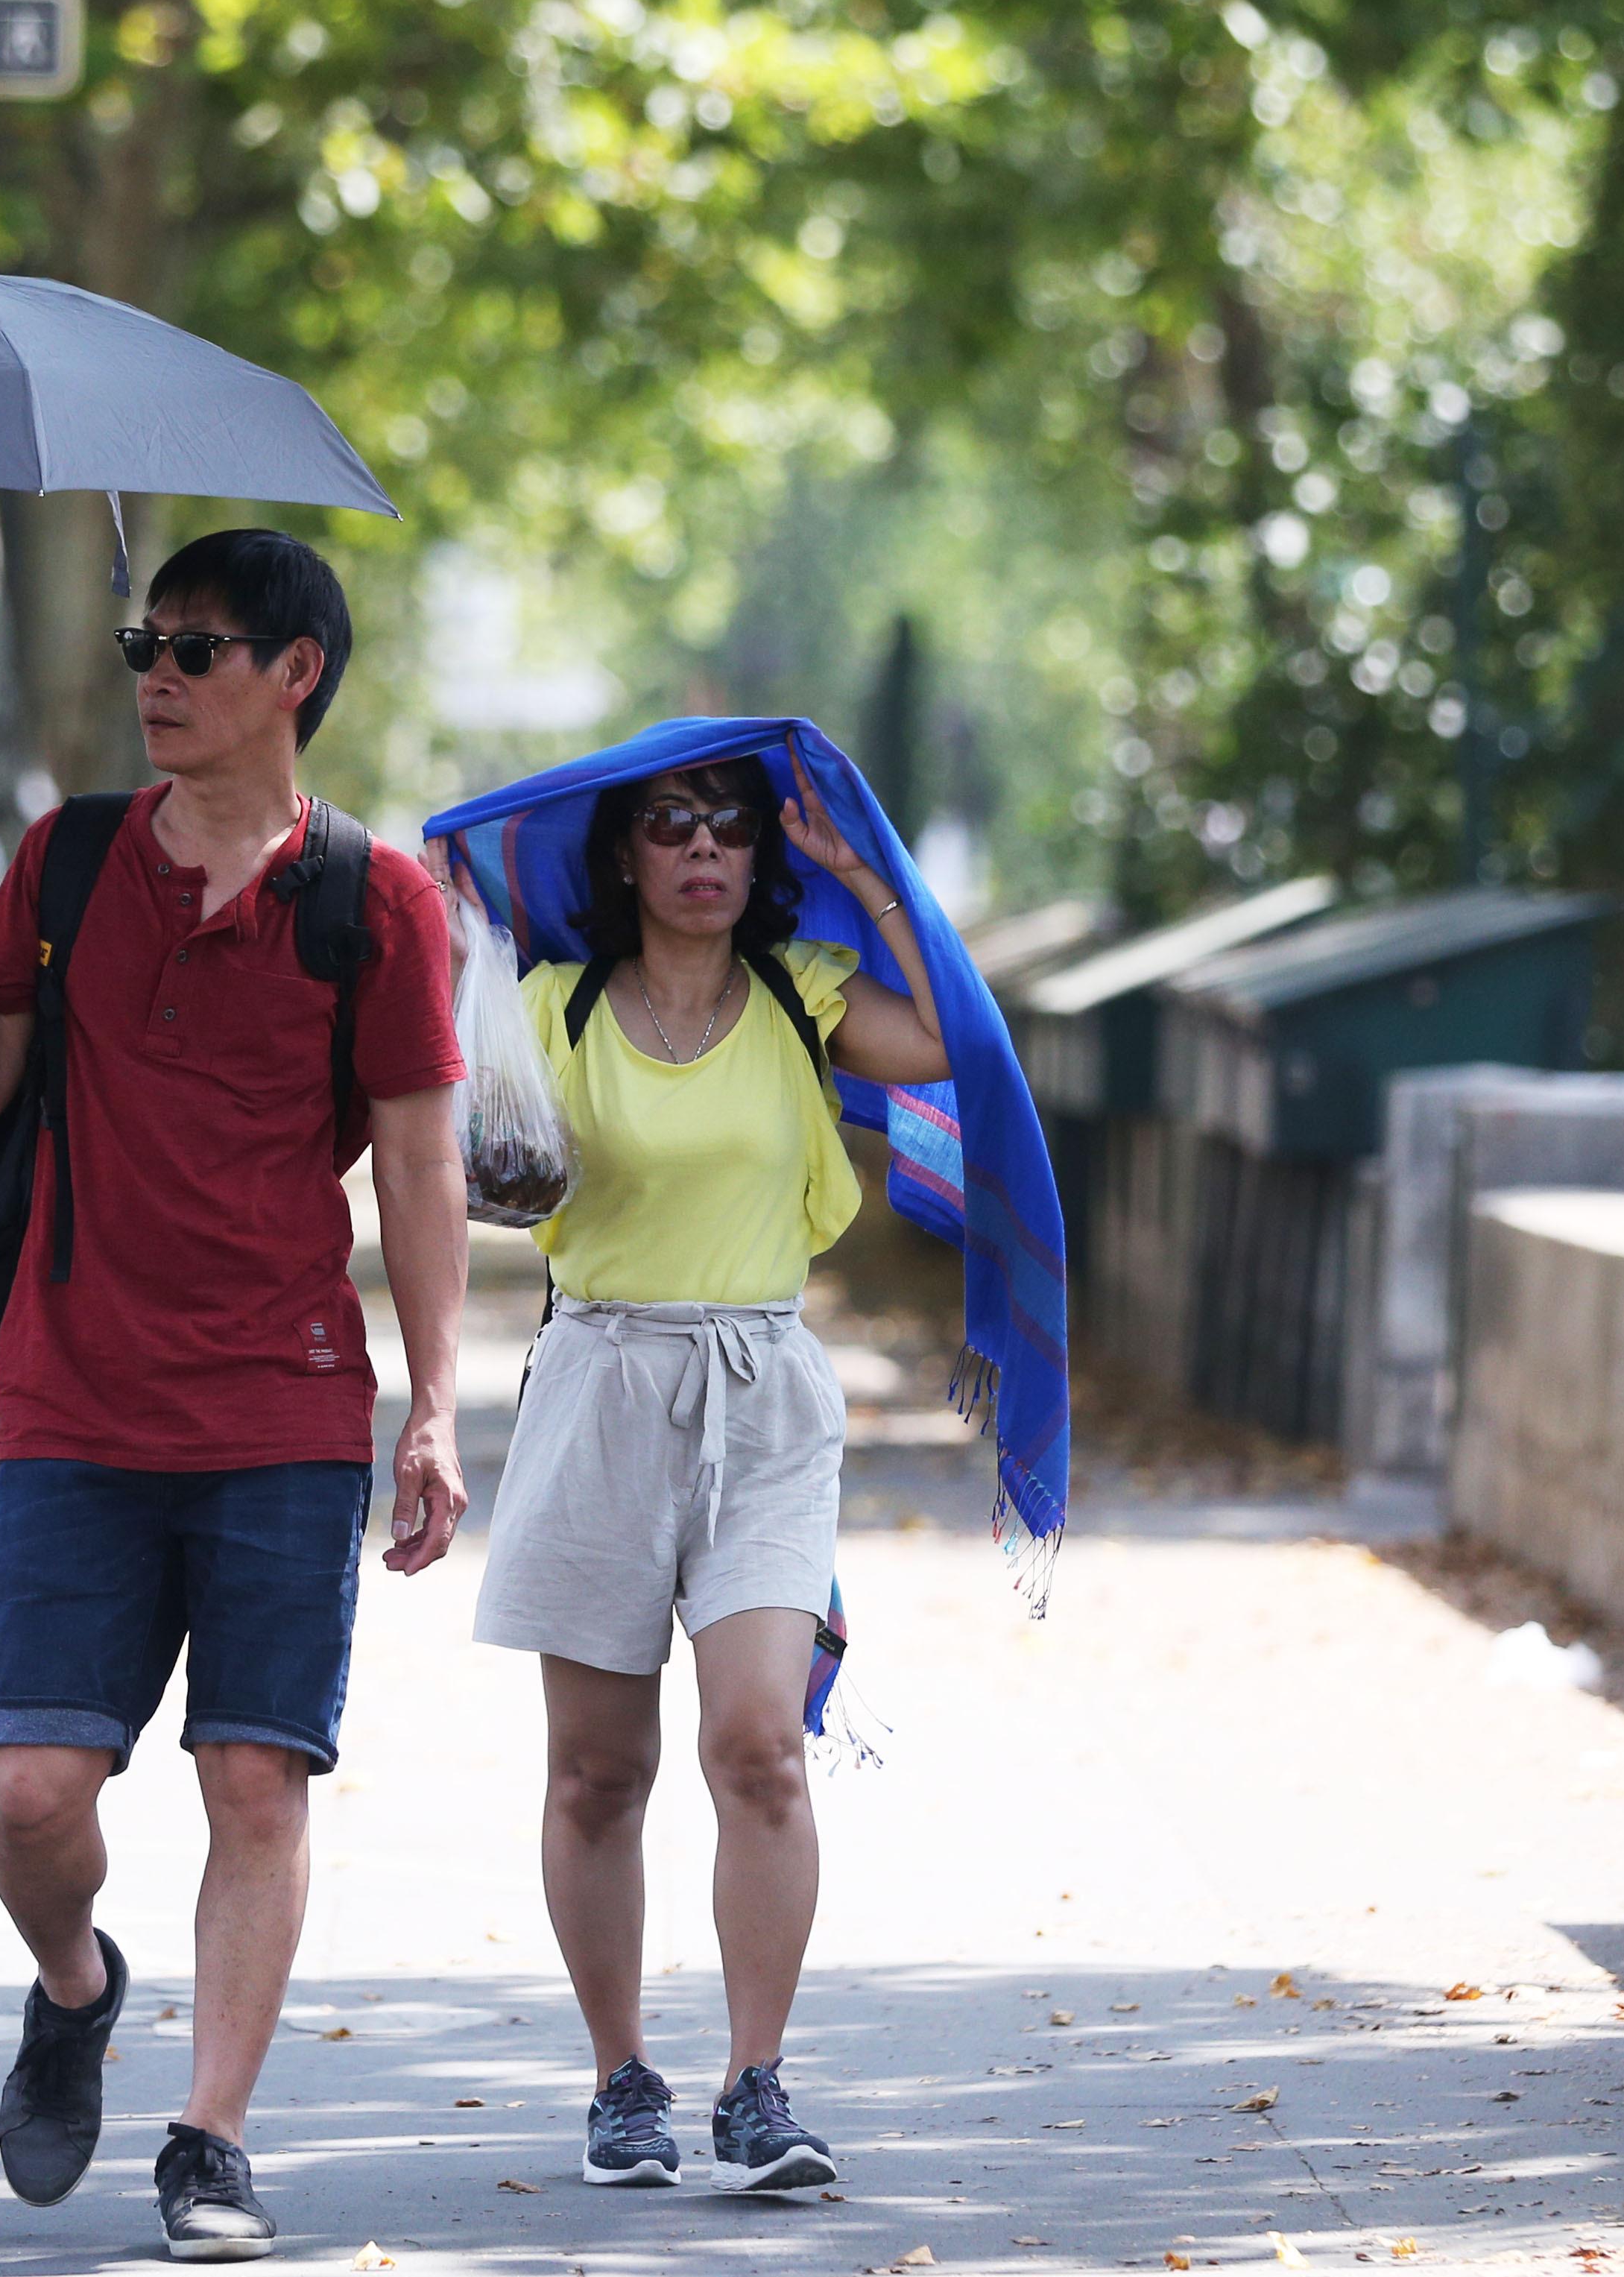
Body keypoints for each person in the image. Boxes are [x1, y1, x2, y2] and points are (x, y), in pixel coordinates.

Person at [0, 527, 470, 2263]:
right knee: (30, 1793)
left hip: (282, 1408)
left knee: (255, 1780)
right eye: (148, 643)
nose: (159, 675)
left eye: (198, 648)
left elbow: (420, 1164)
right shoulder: (69, 857)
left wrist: (434, 1401)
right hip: (75, 1399)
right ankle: (75, 1983)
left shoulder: (375, 899)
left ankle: (212, 2138)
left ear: (295, 673)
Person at [449, 751, 950, 2194]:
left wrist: (861, 876)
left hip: (764, 1393)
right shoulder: (554, 1008)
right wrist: (453, 938)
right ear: (623, 856)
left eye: (730, 826)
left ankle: (756, 2082)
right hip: (600, 1383)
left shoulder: (805, 992)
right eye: (669, 825)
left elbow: (943, 1041)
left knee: (759, 1742)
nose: (703, 849)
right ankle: (622, 2081)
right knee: (599, 1770)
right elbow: (468, 1156)